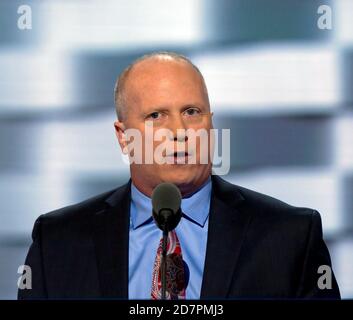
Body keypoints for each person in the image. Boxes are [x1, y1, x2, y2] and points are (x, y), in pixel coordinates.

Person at [18, 51, 340, 299]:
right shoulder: (57, 242)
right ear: (123, 136)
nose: (179, 132)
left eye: (191, 112)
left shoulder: (290, 237)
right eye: (156, 115)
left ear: (210, 123)